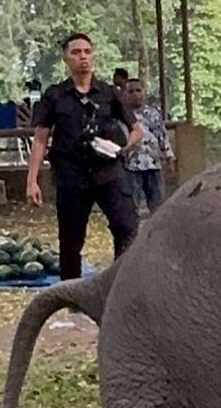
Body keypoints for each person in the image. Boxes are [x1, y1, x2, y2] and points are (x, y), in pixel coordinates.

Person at [26, 32, 143, 281]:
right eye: (76, 52)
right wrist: (32, 180)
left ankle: (120, 283)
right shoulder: (55, 95)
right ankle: (70, 296)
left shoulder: (110, 93)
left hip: (109, 172)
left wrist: (121, 148)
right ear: (66, 59)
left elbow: (137, 130)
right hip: (71, 174)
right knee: (70, 240)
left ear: (94, 56)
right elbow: (40, 138)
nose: (83, 57)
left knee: (127, 228)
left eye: (87, 52)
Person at [121, 78, 174, 212]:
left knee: (158, 206)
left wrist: (169, 160)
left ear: (144, 92)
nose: (135, 94)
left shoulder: (153, 114)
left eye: (138, 90)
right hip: (131, 166)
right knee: (131, 206)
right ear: (124, 94)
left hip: (153, 164)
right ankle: (134, 232)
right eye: (131, 91)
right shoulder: (122, 115)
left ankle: (158, 232)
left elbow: (162, 136)